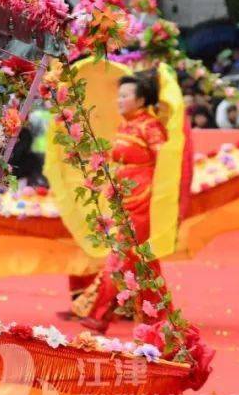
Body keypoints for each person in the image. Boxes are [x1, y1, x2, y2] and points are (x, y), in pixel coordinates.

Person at [69, 73, 170, 333]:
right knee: (139, 258)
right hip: (125, 197)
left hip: (143, 199)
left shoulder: (150, 126)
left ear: (140, 100)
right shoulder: (126, 125)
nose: (120, 100)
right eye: (120, 95)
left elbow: (166, 163)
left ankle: (99, 313)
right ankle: (157, 318)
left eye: (125, 96)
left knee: (124, 255)